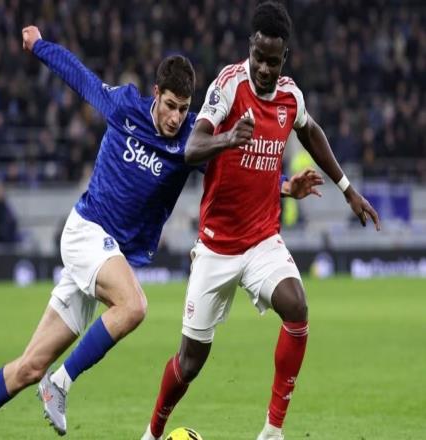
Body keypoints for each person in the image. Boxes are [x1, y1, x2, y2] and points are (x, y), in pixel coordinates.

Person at [0, 24, 323, 440]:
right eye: (169, 105)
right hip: (86, 231)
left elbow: (236, 177)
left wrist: (285, 187)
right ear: (155, 94)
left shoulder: (190, 141)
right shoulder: (124, 107)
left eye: (182, 109)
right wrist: (39, 45)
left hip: (109, 254)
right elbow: (80, 77)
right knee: (134, 306)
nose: (175, 117)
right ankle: (60, 382)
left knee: (28, 366)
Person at [140, 2, 380, 440]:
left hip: (262, 241)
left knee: (297, 307)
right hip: (216, 246)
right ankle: (153, 432)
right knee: (190, 362)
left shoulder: (290, 96)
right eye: (259, 57)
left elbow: (310, 131)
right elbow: (192, 148)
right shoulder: (229, 86)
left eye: (274, 60)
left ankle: (272, 430)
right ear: (250, 46)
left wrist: (347, 189)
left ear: (284, 56)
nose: (265, 69)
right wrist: (229, 138)